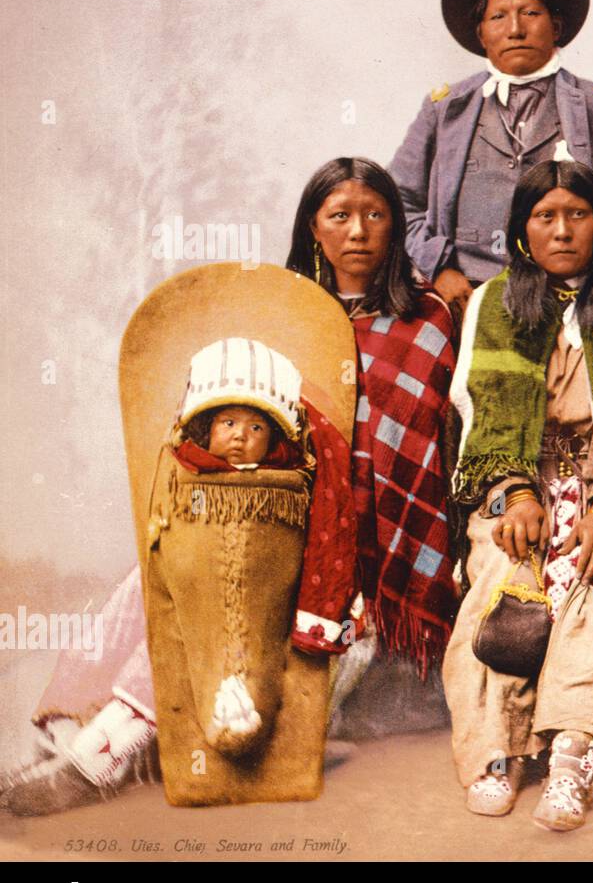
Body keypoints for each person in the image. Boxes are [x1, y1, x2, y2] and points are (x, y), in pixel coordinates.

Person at [2, 157, 458, 815]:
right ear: (313, 228)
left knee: (222, 582)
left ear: (395, 226)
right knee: (160, 570)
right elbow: (237, 422)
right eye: (339, 215)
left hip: (354, 548)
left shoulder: (424, 321)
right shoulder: (280, 312)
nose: (358, 230)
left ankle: (102, 754)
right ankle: (76, 732)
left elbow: (406, 453)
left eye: (375, 214)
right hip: (262, 509)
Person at [443, 158, 593, 832]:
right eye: (544, 216)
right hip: (513, 484)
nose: (562, 229)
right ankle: (501, 750)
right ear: (523, 230)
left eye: (577, 214)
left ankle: (575, 748)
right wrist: (514, 494)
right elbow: (481, 412)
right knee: (499, 578)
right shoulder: (494, 306)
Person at [389, 0, 593, 321]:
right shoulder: (445, 109)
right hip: (465, 304)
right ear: (481, 34)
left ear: (556, 26)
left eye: (530, 14)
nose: (516, 29)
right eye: (498, 16)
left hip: (577, 305)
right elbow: (397, 204)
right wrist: (440, 267)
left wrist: (592, 259)